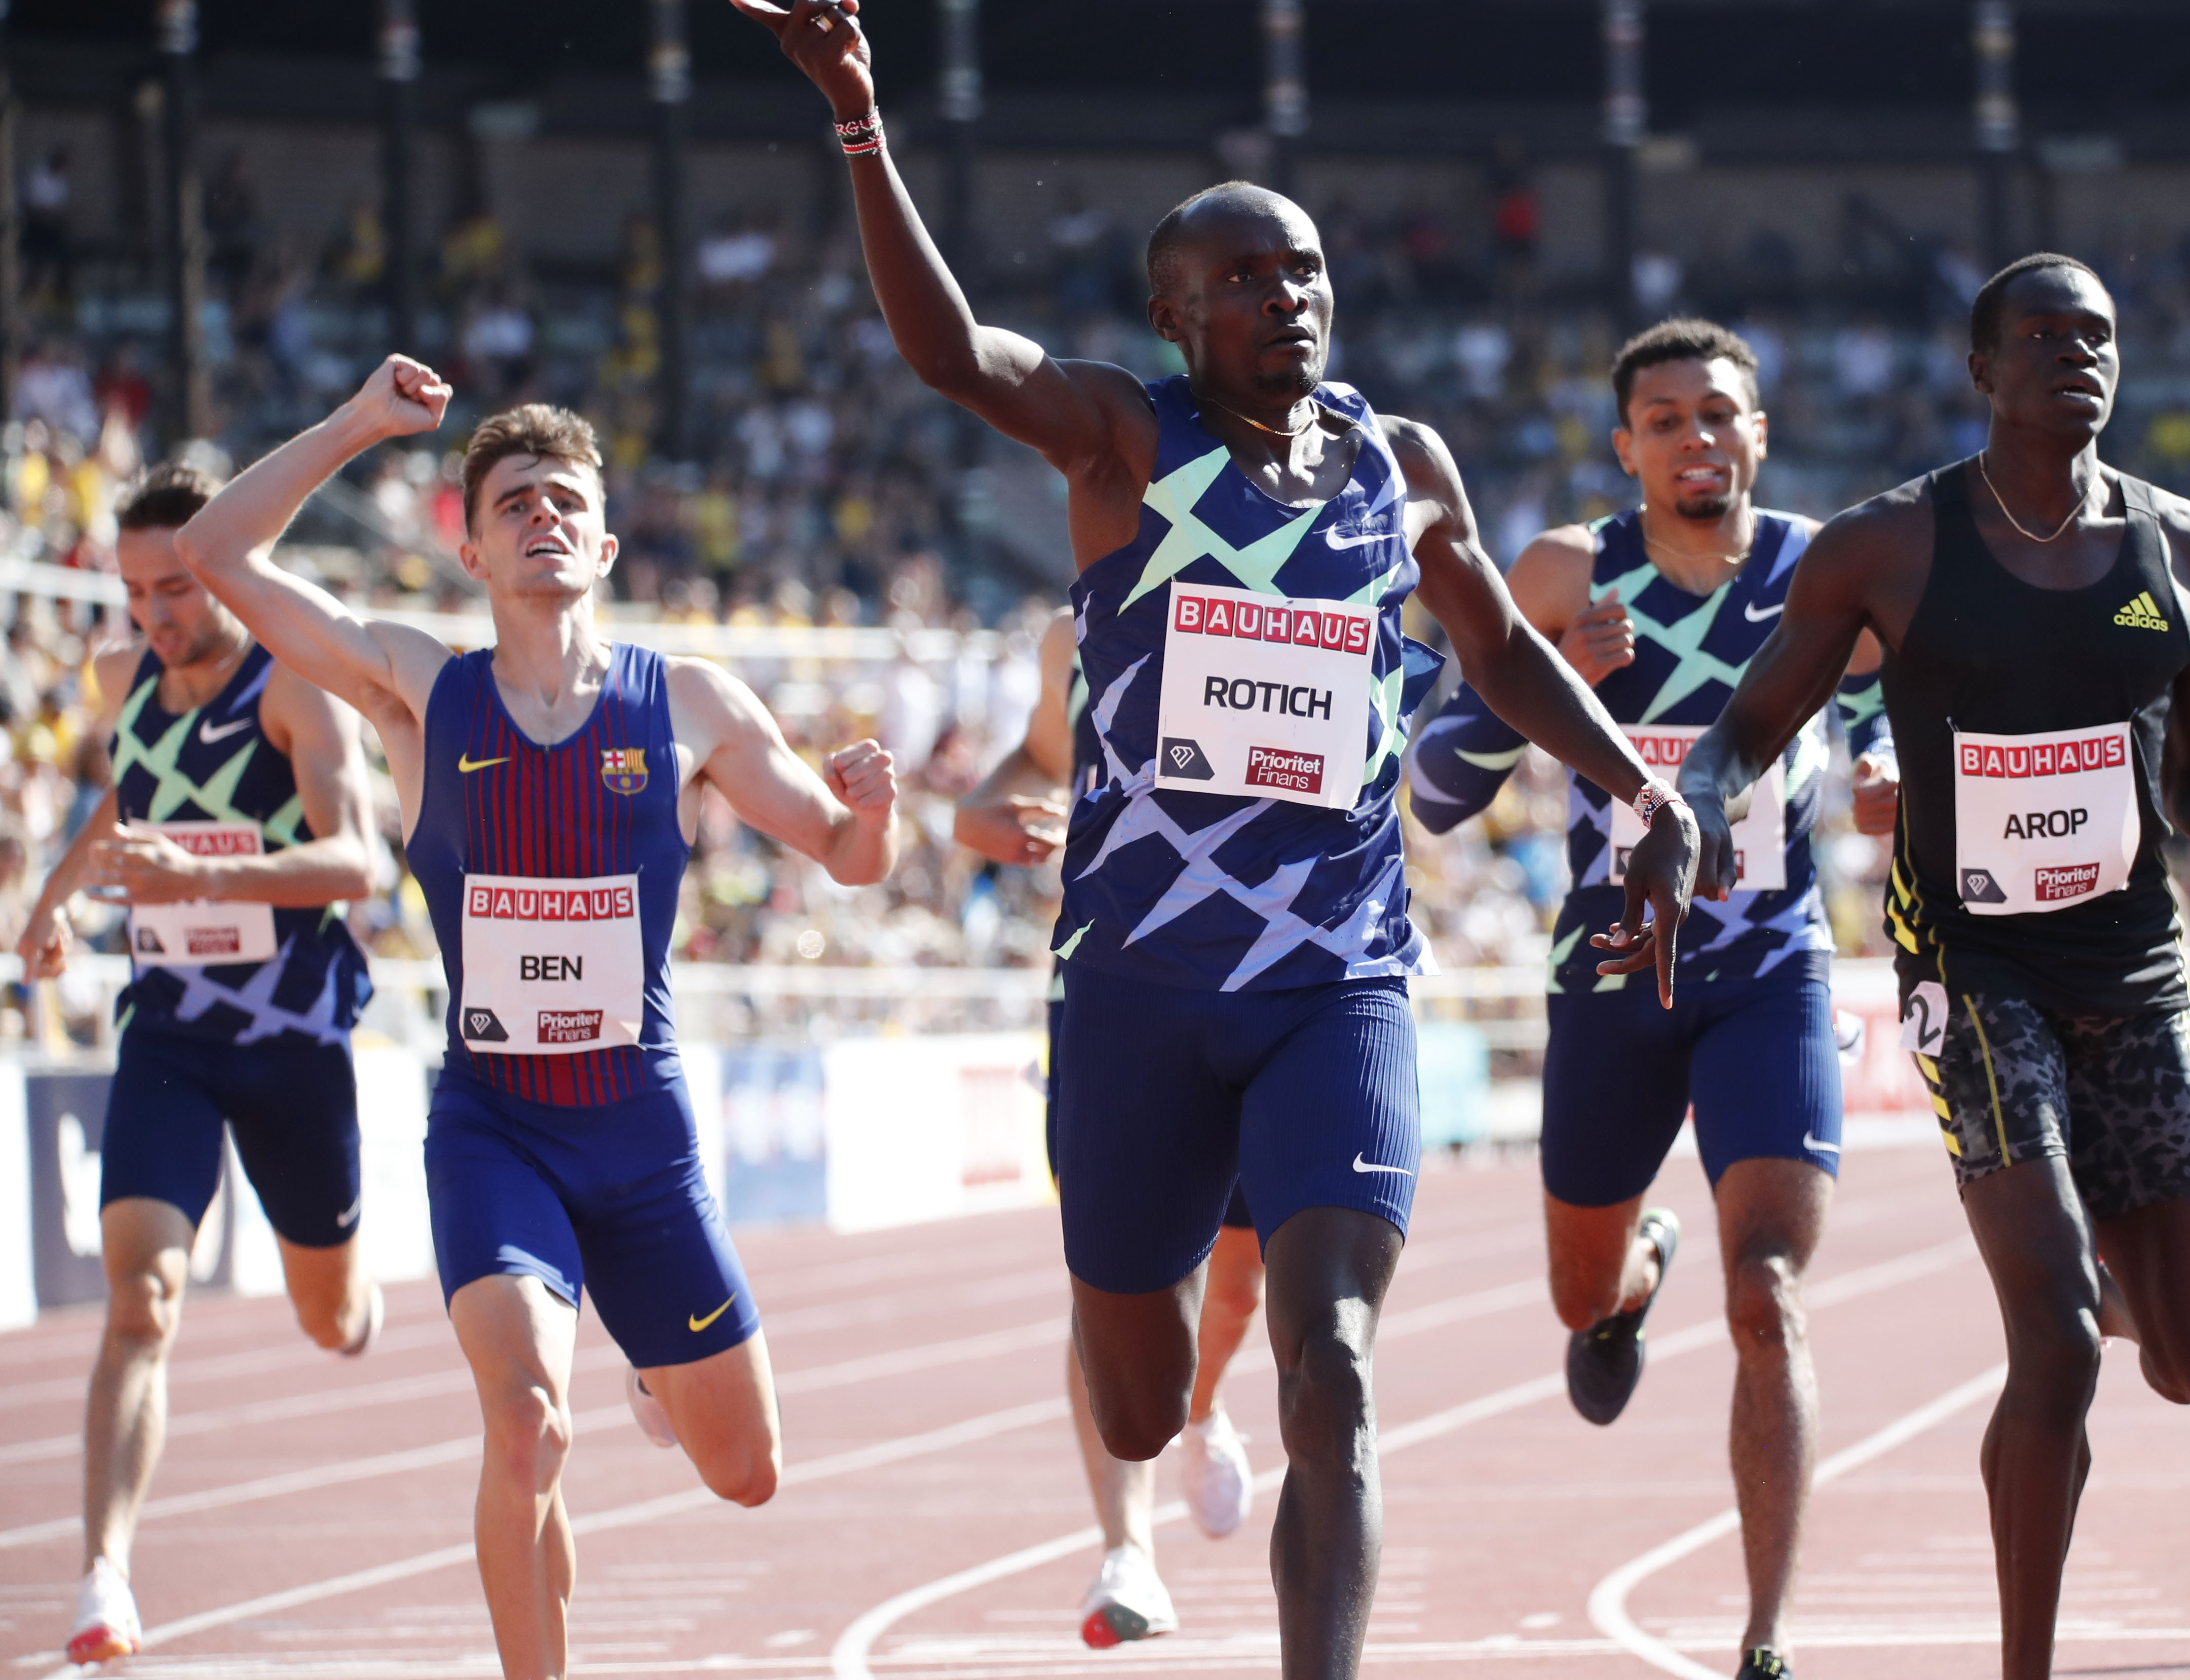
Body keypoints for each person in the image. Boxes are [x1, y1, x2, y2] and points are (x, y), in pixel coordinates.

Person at [736, 0, 1696, 1680]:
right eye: (1242, 278)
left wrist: (1636, 779)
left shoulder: (1399, 464)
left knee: (1330, 1356)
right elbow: (955, 357)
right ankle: (1149, 1424)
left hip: (1335, 975)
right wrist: (861, 126)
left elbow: (1496, 649)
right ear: (1175, 318)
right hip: (1134, 989)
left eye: (1304, 270)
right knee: (1136, 1389)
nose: (1286, 296)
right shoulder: (1121, 433)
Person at [1679, 252, 2190, 1680]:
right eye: (2042, 335)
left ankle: (2118, 1275)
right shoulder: (1889, 548)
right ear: (1982, 371)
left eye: (2099, 336)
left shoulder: (2186, 553)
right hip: (1970, 967)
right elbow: (1745, 729)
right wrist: (1691, 807)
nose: (2076, 354)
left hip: (2134, 979)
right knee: (2051, 1344)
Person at [174, 366, 900, 1680]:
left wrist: (874, 804)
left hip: (642, 1138)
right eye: (515, 503)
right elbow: (215, 552)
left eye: (568, 501)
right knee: (524, 1428)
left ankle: (635, 1363)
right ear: (473, 542)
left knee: (746, 1474)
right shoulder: (415, 687)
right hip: (496, 1128)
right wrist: (360, 427)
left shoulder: (689, 706)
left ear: (608, 542)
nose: (544, 518)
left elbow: (849, 856)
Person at [1407, 320, 1895, 1680]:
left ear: (1758, 430)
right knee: (1575, 1298)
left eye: (1719, 414)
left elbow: (1900, 705)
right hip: (1609, 977)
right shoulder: (1565, 570)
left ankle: (1767, 1636)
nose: (1696, 438)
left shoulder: (1824, 570)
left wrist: (1890, 762)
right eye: (1665, 419)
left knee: (1771, 1296)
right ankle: (1630, 1284)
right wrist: (1550, 689)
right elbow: (1438, 792)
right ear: (1625, 449)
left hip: (1769, 969)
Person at [17, 463, 385, 1667]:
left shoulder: (300, 694)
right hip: (171, 1034)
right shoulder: (123, 680)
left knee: (330, 1319)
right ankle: (105, 1577)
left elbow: (358, 867)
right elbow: (127, 802)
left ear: (223, 569)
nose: (156, 617)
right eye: (136, 593)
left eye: (177, 586)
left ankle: (355, 1298)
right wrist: (58, 899)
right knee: (142, 1300)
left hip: (292, 1047)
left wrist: (209, 878)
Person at [954, 608, 1266, 1646]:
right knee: (1116, 1282)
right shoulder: (1071, 633)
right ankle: (1124, 1551)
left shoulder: (1289, 590)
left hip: (1273, 981)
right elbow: (1034, 763)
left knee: (1238, 1275)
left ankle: (1203, 1400)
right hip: (1114, 991)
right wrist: (988, 814)